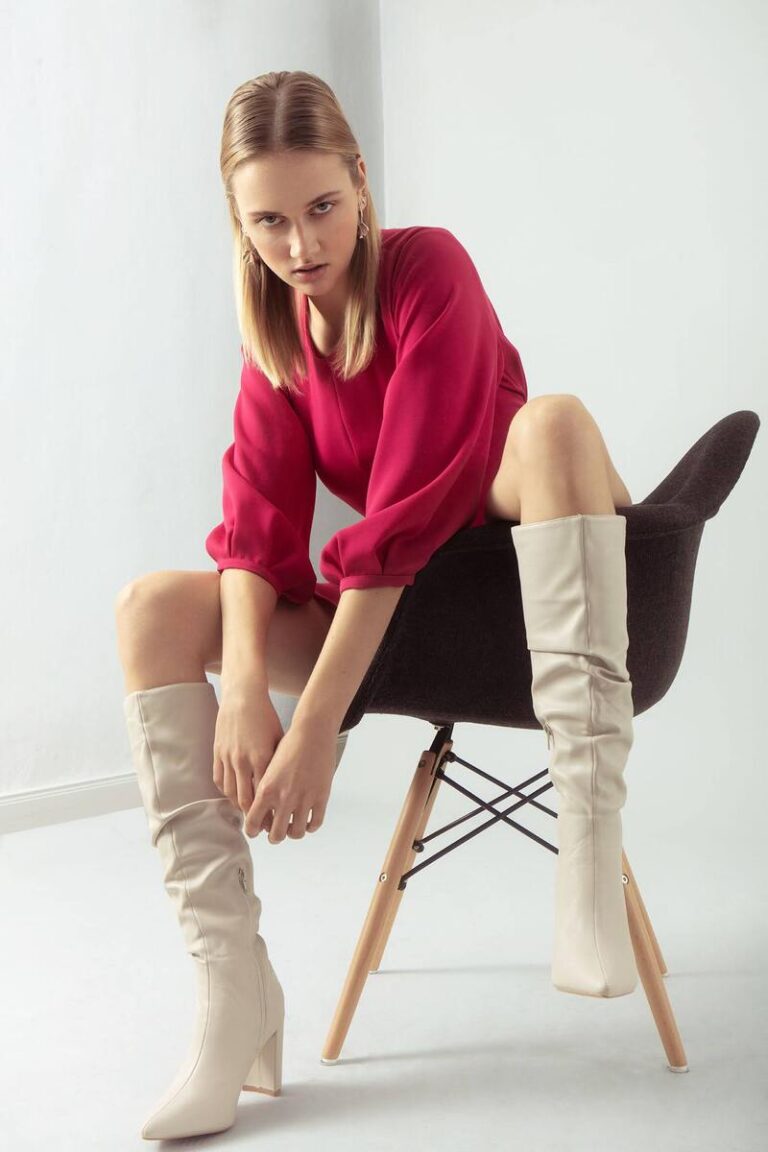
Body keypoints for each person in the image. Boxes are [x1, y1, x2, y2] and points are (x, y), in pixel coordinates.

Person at [114, 70, 636, 1141]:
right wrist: (245, 690)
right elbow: (254, 534)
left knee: (552, 423)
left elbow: (401, 515)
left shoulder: (428, 270)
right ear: (238, 222)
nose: (301, 244)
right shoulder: (278, 338)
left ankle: (587, 853)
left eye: (320, 207)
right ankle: (231, 992)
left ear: (360, 180)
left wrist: (315, 730)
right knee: (150, 610)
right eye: (268, 221)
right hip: (402, 622)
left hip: (528, 591)